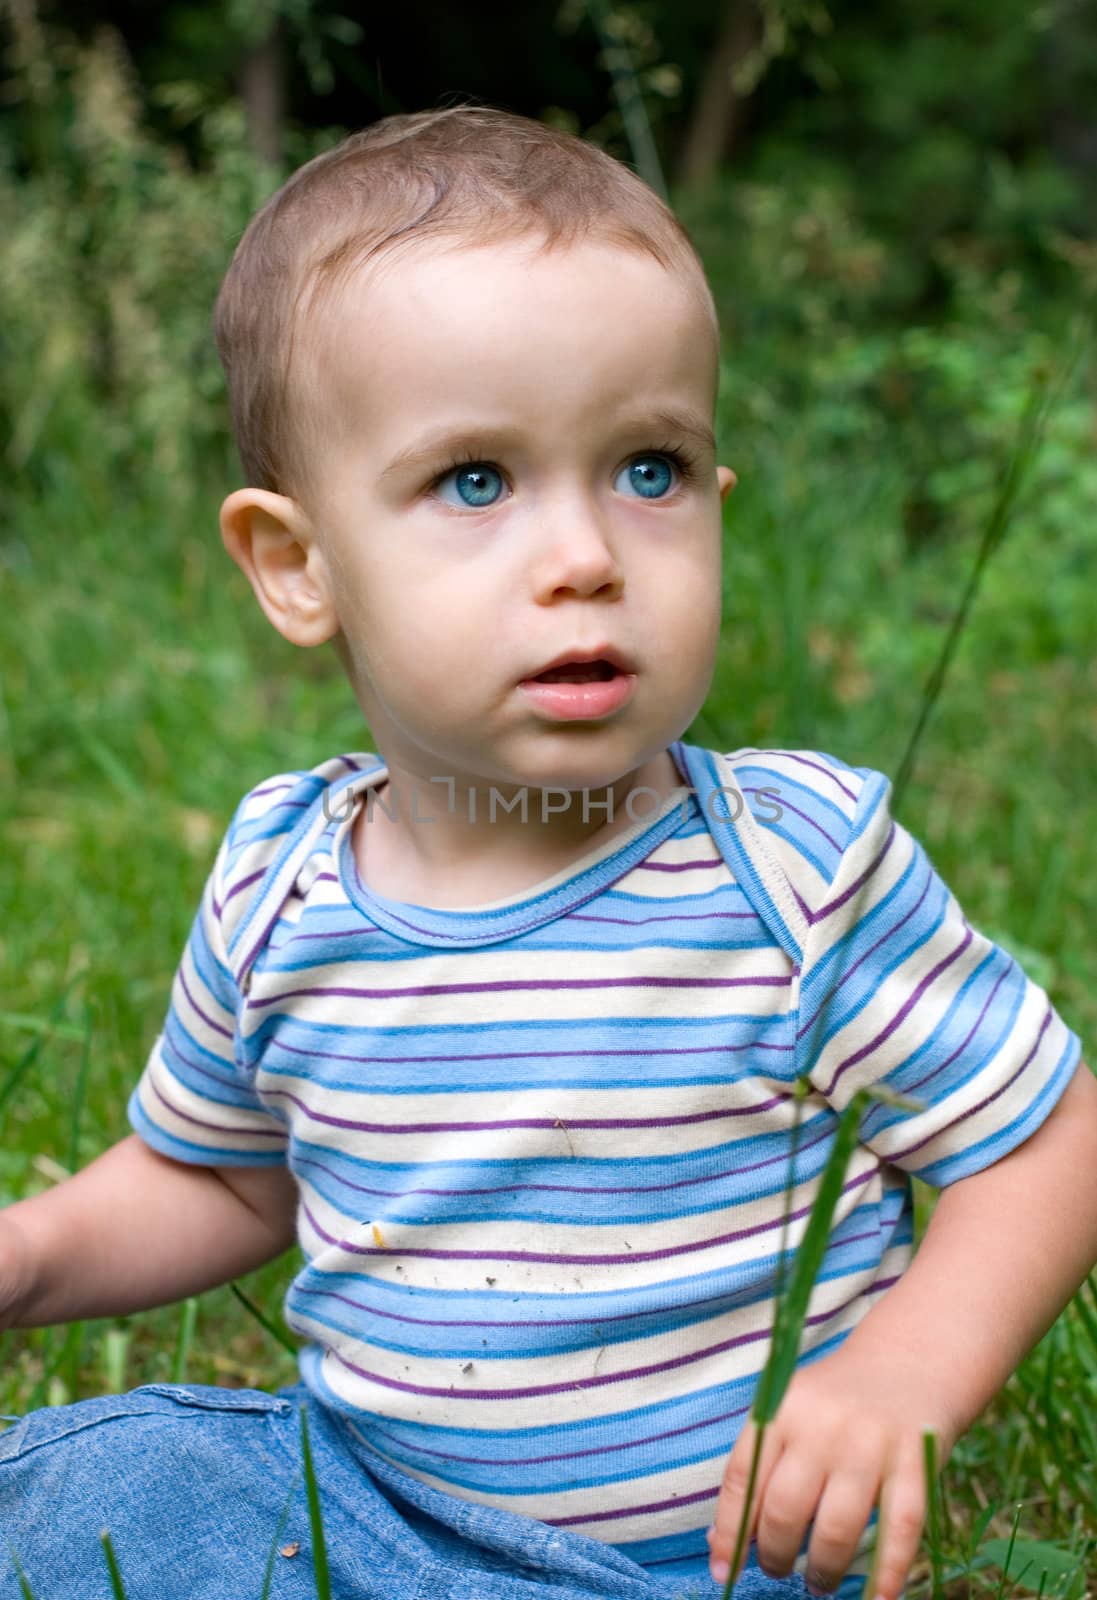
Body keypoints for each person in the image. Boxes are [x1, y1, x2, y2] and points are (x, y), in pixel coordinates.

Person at [1, 103, 1095, 1600]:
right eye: (474, 481)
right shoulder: (282, 882)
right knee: (95, 1488)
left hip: (705, 1564)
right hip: (367, 1515)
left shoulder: (789, 871)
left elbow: (1043, 1141)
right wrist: (33, 1258)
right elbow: (226, 1181)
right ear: (297, 564)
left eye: (647, 470)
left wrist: (901, 1373)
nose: (585, 553)